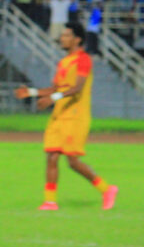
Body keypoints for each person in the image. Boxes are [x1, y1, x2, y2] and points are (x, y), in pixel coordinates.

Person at [14, 22, 118, 211]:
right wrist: (31, 92)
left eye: (66, 35)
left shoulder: (84, 59)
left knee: (72, 161)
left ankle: (107, 189)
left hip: (76, 115)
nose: (62, 38)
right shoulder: (63, 62)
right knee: (52, 156)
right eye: (62, 35)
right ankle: (50, 201)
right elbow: (55, 89)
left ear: (77, 39)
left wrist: (52, 99)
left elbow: (77, 88)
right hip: (59, 115)